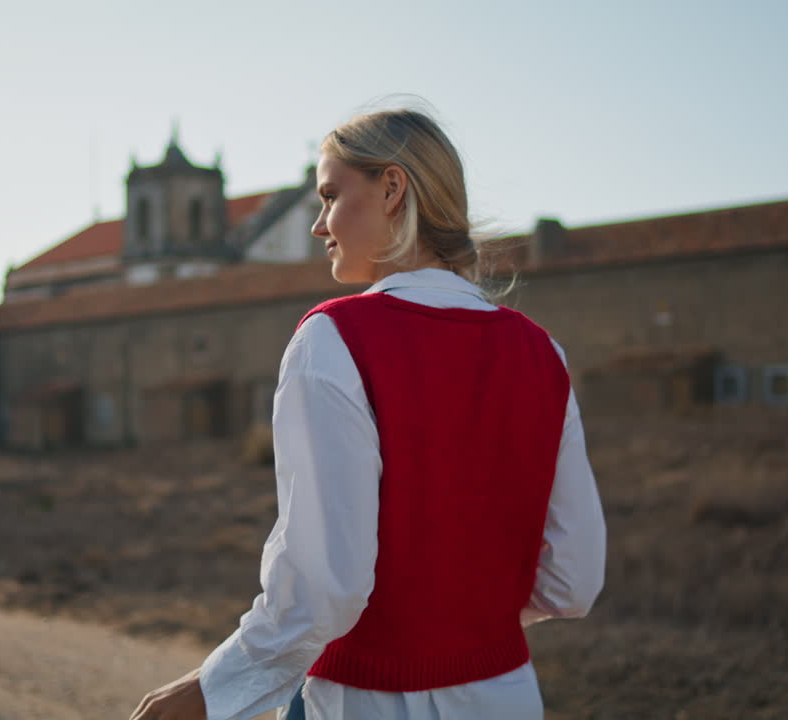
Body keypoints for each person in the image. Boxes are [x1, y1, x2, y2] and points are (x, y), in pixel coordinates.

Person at [128, 108, 606, 720]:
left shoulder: (334, 339)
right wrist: (466, 615)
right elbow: (573, 580)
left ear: (391, 189)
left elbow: (327, 587)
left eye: (330, 196)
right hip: (507, 697)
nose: (318, 225)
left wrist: (214, 689)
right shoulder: (543, 353)